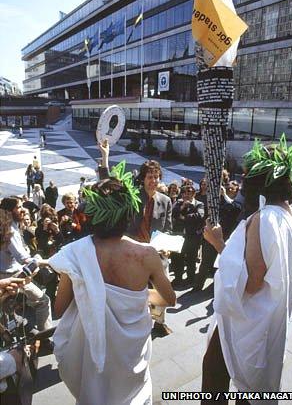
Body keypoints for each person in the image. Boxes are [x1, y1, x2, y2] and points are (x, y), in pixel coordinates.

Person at [48, 156, 176, 405]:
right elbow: (169, 299)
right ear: (129, 212)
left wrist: (87, 288)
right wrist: (142, 295)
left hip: (92, 350)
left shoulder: (76, 254)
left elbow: (59, 308)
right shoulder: (147, 254)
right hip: (132, 350)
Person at [200, 135, 292, 403]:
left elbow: (252, 281)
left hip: (247, 319)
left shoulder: (262, 218)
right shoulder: (290, 213)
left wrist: (219, 244)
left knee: (215, 376)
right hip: (270, 315)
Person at [127, 159, 173, 336]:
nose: (153, 180)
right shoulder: (134, 197)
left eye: (156, 176)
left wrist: (167, 246)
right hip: (135, 254)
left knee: (162, 290)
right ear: (143, 178)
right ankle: (138, 321)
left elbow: (168, 228)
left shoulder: (166, 200)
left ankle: (159, 323)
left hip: (157, 254)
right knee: (137, 291)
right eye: (149, 177)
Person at [0, 197, 52, 333]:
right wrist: (48, 262)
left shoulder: (7, 225)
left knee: (7, 310)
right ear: (10, 211)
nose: (23, 210)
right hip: (14, 275)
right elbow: (23, 258)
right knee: (43, 301)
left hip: (5, 273)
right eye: (19, 207)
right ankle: (44, 337)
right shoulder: (9, 229)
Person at [171, 185, 205, 285]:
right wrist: (183, 207)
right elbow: (173, 213)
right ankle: (178, 278)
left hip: (192, 236)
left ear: (194, 193)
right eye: (185, 192)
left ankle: (190, 278)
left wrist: (184, 217)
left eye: (190, 192)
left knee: (191, 258)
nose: (187, 194)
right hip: (179, 235)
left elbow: (199, 216)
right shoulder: (178, 202)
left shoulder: (199, 204)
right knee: (178, 258)